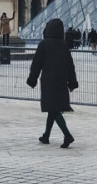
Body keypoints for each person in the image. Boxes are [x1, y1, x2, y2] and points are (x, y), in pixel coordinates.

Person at [26, 18, 78, 148]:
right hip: (61, 80)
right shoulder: (64, 44)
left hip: (48, 81)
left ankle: (67, 135)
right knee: (53, 108)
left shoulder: (44, 44)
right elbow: (70, 65)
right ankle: (46, 136)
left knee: (53, 109)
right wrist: (72, 82)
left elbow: (36, 64)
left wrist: (32, 79)